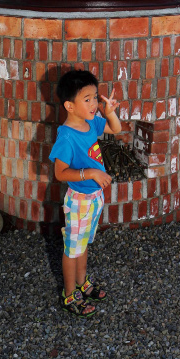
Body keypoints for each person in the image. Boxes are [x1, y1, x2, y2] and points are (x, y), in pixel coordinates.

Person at [49, 69, 123, 317]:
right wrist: (90, 173)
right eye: (87, 99)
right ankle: (69, 294)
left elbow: (116, 129)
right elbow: (60, 173)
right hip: (79, 200)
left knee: (83, 244)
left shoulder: (91, 122)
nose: (94, 104)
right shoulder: (66, 136)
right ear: (70, 105)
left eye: (95, 97)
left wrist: (109, 113)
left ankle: (82, 282)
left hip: (94, 198)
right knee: (72, 249)